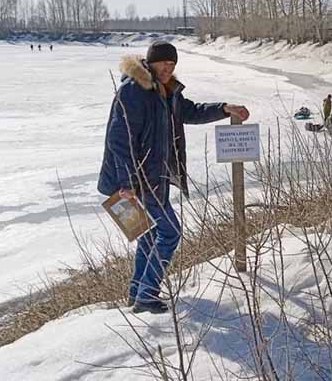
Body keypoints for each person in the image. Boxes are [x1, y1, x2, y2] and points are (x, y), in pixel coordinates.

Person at [98, 40, 250, 314]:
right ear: (150, 62)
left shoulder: (166, 91)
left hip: (157, 175)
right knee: (170, 233)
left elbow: (190, 111)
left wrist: (224, 108)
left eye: (172, 64)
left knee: (150, 234)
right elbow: (118, 140)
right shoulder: (134, 90)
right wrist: (126, 184)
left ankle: (136, 292)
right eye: (163, 63)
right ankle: (147, 294)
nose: (168, 69)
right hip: (140, 180)